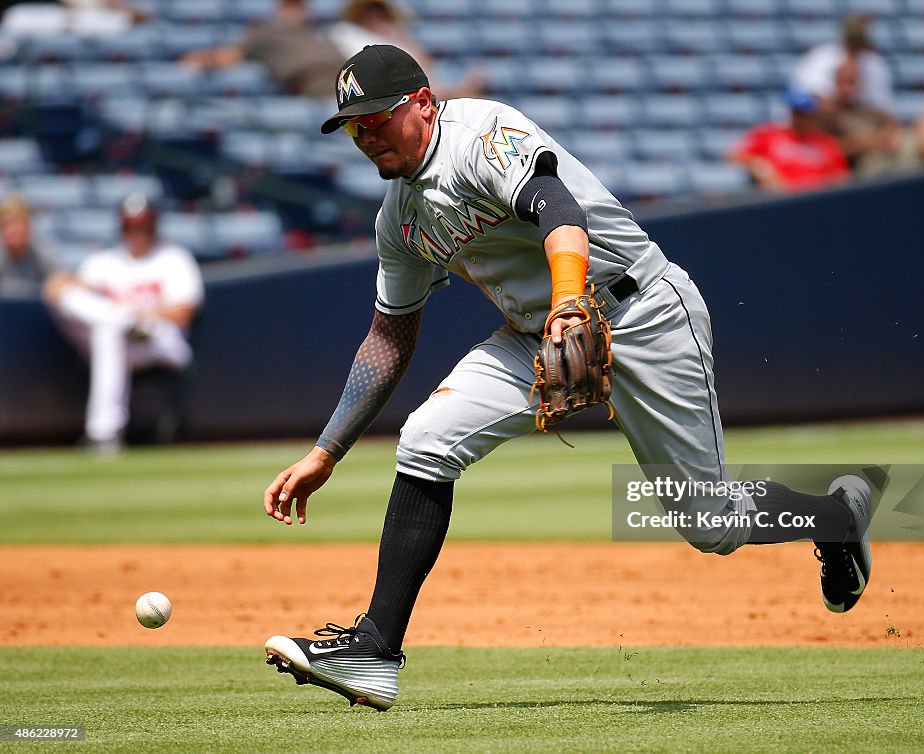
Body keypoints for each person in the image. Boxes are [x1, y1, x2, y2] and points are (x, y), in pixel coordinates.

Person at [261, 45, 873, 712]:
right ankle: (375, 652)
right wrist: (326, 450)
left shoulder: (480, 136)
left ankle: (836, 517)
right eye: (354, 126)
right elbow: (388, 337)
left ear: (423, 104)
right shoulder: (399, 218)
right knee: (427, 439)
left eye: (376, 118)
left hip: (640, 312)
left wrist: (566, 302)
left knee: (709, 522)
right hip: (536, 332)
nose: (365, 135)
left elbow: (557, 208)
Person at [43, 195, 203, 453]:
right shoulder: (105, 261)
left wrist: (140, 314)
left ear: (154, 226)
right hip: (119, 339)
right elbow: (63, 290)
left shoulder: (174, 258)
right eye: (130, 226)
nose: (137, 232)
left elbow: (183, 312)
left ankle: (103, 434)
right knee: (104, 327)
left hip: (160, 341)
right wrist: (62, 281)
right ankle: (104, 435)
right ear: (121, 227)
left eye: (143, 226)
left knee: (111, 330)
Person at [329, 0, 485, 101]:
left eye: (381, 12)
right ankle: (456, 94)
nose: (376, 17)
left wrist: (402, 37)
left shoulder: (395, 36)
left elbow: (425, 65)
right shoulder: (346, 33)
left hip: (411, 83)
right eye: (370, 12)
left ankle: (456, 94)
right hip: (380, 88)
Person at [179, 0, 342, 96]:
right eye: (289, 5)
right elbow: (230, 56)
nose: (294, 11)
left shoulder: (320, 34)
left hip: (340, 75)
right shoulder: (264, 33)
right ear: (279, 9)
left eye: (298, 6)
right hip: (313, 82)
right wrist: (201, 59)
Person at [818, 58, 924, 177]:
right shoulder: (827, 112)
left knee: (909, 141)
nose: (848, 88)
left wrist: (888, 134)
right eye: (844, 82)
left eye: (853, 82)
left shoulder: (864, 107)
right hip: (862, 168)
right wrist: (872, 142)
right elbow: (827, 148)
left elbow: (890, 120)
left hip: (887, 155)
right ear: (835, 81)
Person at [730, 89, 850, 192]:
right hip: (781, 201)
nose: (800, 118)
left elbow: (840, 179)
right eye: (797, 113)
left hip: (816, 202)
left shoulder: (824, 143)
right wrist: (761, 167)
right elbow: (735, 156)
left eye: (805, 114)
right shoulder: (768, 134)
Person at [791, 15, 894, 115]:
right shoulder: (821, 57)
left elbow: (881, 108)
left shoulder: (875, 64)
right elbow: (803, 96)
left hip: (859, 118)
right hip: (823, 118)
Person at [0, 192, 55, 296]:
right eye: (11, 224)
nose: (17, 230)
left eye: (22, 224)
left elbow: (57, 284)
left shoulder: (43, 257)